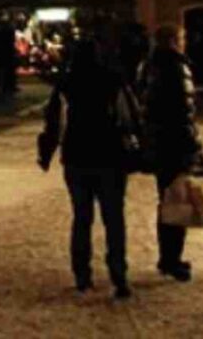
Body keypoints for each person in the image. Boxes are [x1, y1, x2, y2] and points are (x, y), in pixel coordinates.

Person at [38, 39, 132, 299]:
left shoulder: (66, 83)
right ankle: (118, 274)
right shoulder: (113, 80)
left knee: (82, 217)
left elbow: (54, 123)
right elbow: (128, 117)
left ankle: (82, 275)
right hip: (110, 155)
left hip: (77, 156)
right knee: (114, 218)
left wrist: (46, 153)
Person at [136, 25, 203, 283]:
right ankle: (171, 259)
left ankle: (169, 256)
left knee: (169, 198)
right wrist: (193, 147)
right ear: (173, 41)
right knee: (177, 201)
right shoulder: (175, 67)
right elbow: (182, 113)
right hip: (174, 145)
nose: (184, 41)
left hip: (160, 144)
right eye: (182, 38)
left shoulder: (149, 66)